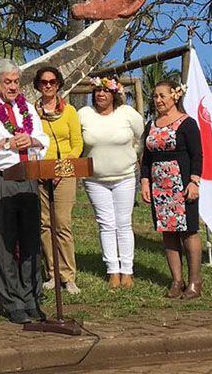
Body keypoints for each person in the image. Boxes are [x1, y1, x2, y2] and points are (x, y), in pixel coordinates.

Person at [0, 58, 49, 325]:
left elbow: (43, 138)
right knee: (4, 243)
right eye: (8, 82)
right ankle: (12, 301)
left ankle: (32, 297)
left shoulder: (27, 108)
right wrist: (6, 142)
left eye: (16, 81)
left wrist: (33, 140)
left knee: (30, 241)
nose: (14, 86)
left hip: (28, 177)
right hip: (0, 178)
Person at [78, 76, 145, 290]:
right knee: (106, 224)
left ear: (114, 94)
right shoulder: (84, 114)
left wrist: (134, 154)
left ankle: (127, 271)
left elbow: (143, 136)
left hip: (125, 177)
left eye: (105, 91)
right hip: (95, 179)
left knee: (123, 223)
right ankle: (112, 271)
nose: (101, 94)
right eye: (97, 90)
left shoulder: (126, 113)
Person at [141, 80, 204, 299]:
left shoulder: (187, 123)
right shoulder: (151, 124)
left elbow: (197, 155)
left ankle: (195, 281)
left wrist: (194, 181)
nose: (158, 100)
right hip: (159, 186)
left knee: (188, 231)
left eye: (162, 96)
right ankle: (177, 280)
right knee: (168, 232)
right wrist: (145, 182)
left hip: (182, 183)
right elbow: (147, 158)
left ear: (174, 96)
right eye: (155, 96)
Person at [34, 66, 83, 296]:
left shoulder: (70, 111)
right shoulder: (32, 112)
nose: (48, 86)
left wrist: (61, 169)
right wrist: (43, 168)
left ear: (58, 84)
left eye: (52, 82)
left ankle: (68, 275)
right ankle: (52, 273)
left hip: (64, 173)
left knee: (62, 223)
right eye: (44, 82)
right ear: (38, 85)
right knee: (45, 224)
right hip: (41, 171)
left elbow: (77, 144)